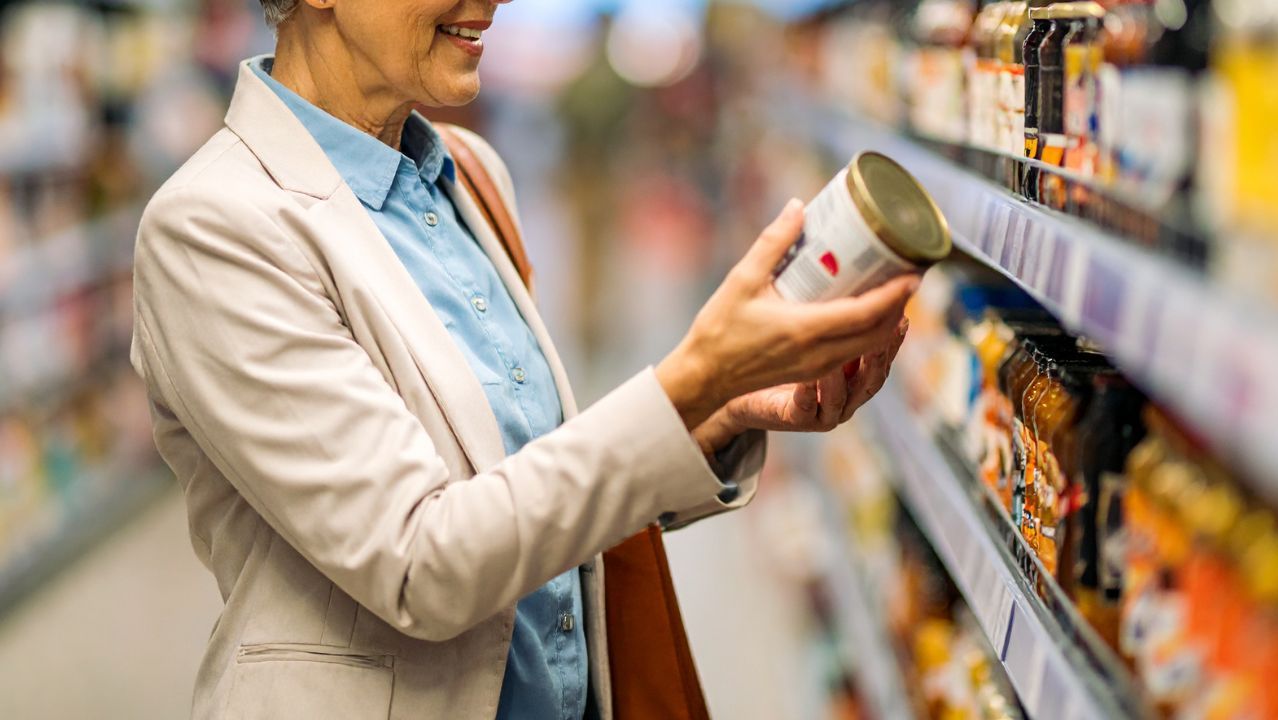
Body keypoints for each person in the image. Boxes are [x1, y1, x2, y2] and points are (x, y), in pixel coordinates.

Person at [129, 1, 919, 718]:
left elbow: (525, 487)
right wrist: (691, 379)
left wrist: (718, 410)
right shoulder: (215, 227)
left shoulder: (466, 174)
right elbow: (421, 563)